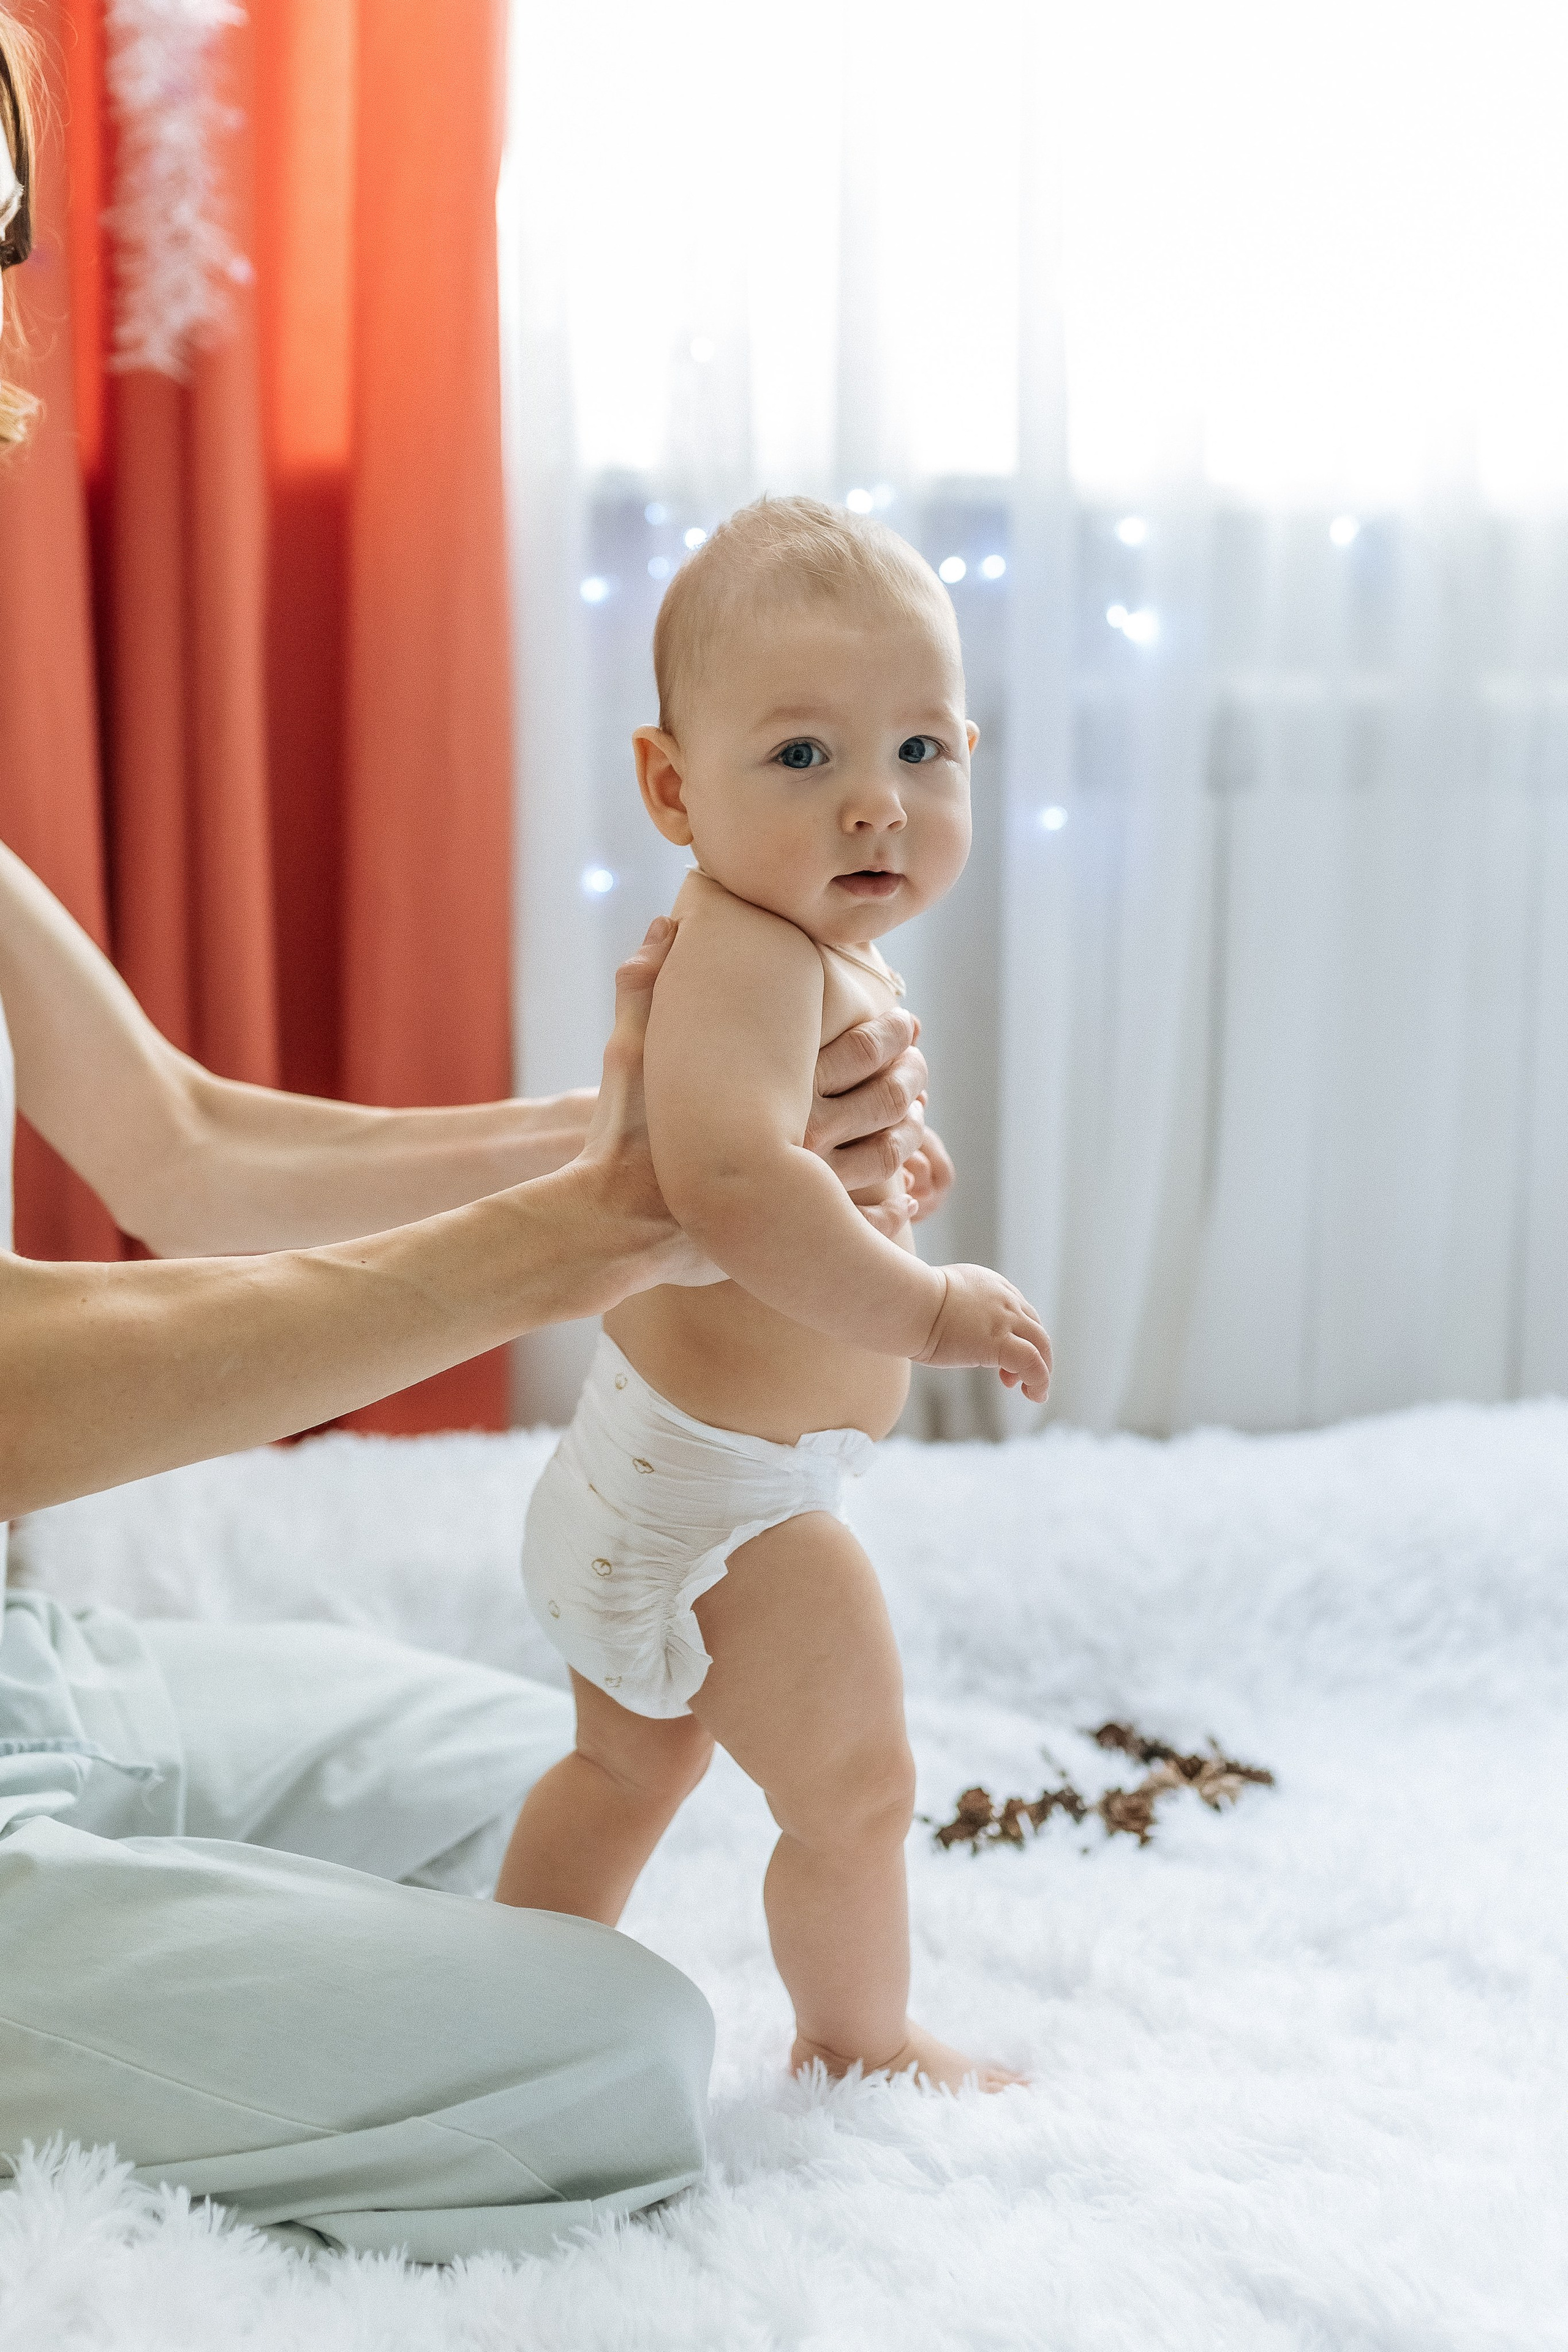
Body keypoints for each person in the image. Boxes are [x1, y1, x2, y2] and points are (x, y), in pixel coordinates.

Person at [0, 23, 953, 2263]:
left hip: (34, 1678)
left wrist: (649, 1137)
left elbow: (191, 1149)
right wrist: (602, 1231)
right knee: (605, 2057)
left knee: (568, 1773)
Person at [497, 498, 1052, 2094]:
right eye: (804, 758)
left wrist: (885, 1179)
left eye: (924, 752)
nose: (877, 802)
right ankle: (854, 2043)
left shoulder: (805, 943)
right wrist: (929, 1307)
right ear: (673, 787)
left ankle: (503, 1989)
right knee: (859, 1788)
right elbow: (738, 1187)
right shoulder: (749, 951)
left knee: (624, 1768)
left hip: (649, 1469)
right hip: (731, 1510)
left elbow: (799, 1153)